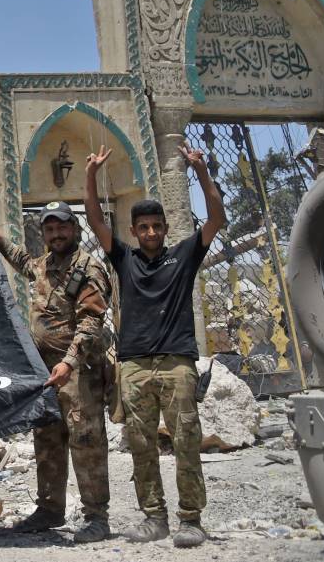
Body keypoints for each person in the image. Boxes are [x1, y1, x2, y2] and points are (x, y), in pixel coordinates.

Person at [84, 142, 225, 548]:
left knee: (185, 441)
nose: (150, 233)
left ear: (165, 229)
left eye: (156, 227)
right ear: (134, 231)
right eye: (143, 227)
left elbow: (217, 217)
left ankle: (191, 519)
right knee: (141, 445)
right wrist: (92, 175)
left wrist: (200, 171)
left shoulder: (183, 255)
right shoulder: (124, 260)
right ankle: (154, 517)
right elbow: (94, 220)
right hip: (134, 366)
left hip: (177, 363)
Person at [0, 203, 112, 543]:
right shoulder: (44, 265)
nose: (57, 234)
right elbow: (24, 263)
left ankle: (97, 516)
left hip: (78, 370)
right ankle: (49, 509)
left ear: (75, 229)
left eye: (63, 228)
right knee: (48, 439)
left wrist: (68, 361)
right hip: (46, 372)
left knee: (86, 442)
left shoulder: (88, 268)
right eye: (50, 229)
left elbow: (91, 323)